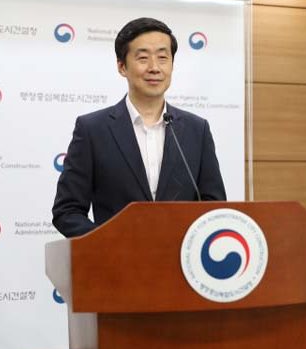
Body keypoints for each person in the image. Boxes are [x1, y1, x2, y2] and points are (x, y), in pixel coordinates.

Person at [52, 17, 226, 237]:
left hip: (180, 256)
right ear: (122, 66)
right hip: (116, 256)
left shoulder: (197, 130)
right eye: (143, 58)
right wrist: (110, 243)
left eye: (163, 58)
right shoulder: (92, 130)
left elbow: (214, 207)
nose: (154, 68)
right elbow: (67, 211)